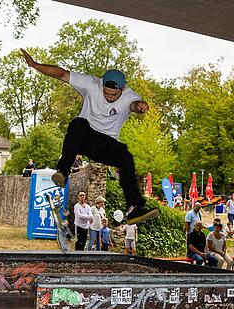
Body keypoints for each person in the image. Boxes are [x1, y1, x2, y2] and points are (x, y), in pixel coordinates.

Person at [21, 50, 159, 224]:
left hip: (105, 144)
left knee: (125, 155)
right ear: (101, 85)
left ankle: (134, 207)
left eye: (113, 95)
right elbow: (62, 74)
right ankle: (63, 171)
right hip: (84, 138)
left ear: (122, 90)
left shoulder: (129, 95)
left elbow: (134, 105)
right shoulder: (91, 84)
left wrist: (139, 106)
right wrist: (35, 65)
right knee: (78, 123)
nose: (109, 97)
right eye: (106, 93)